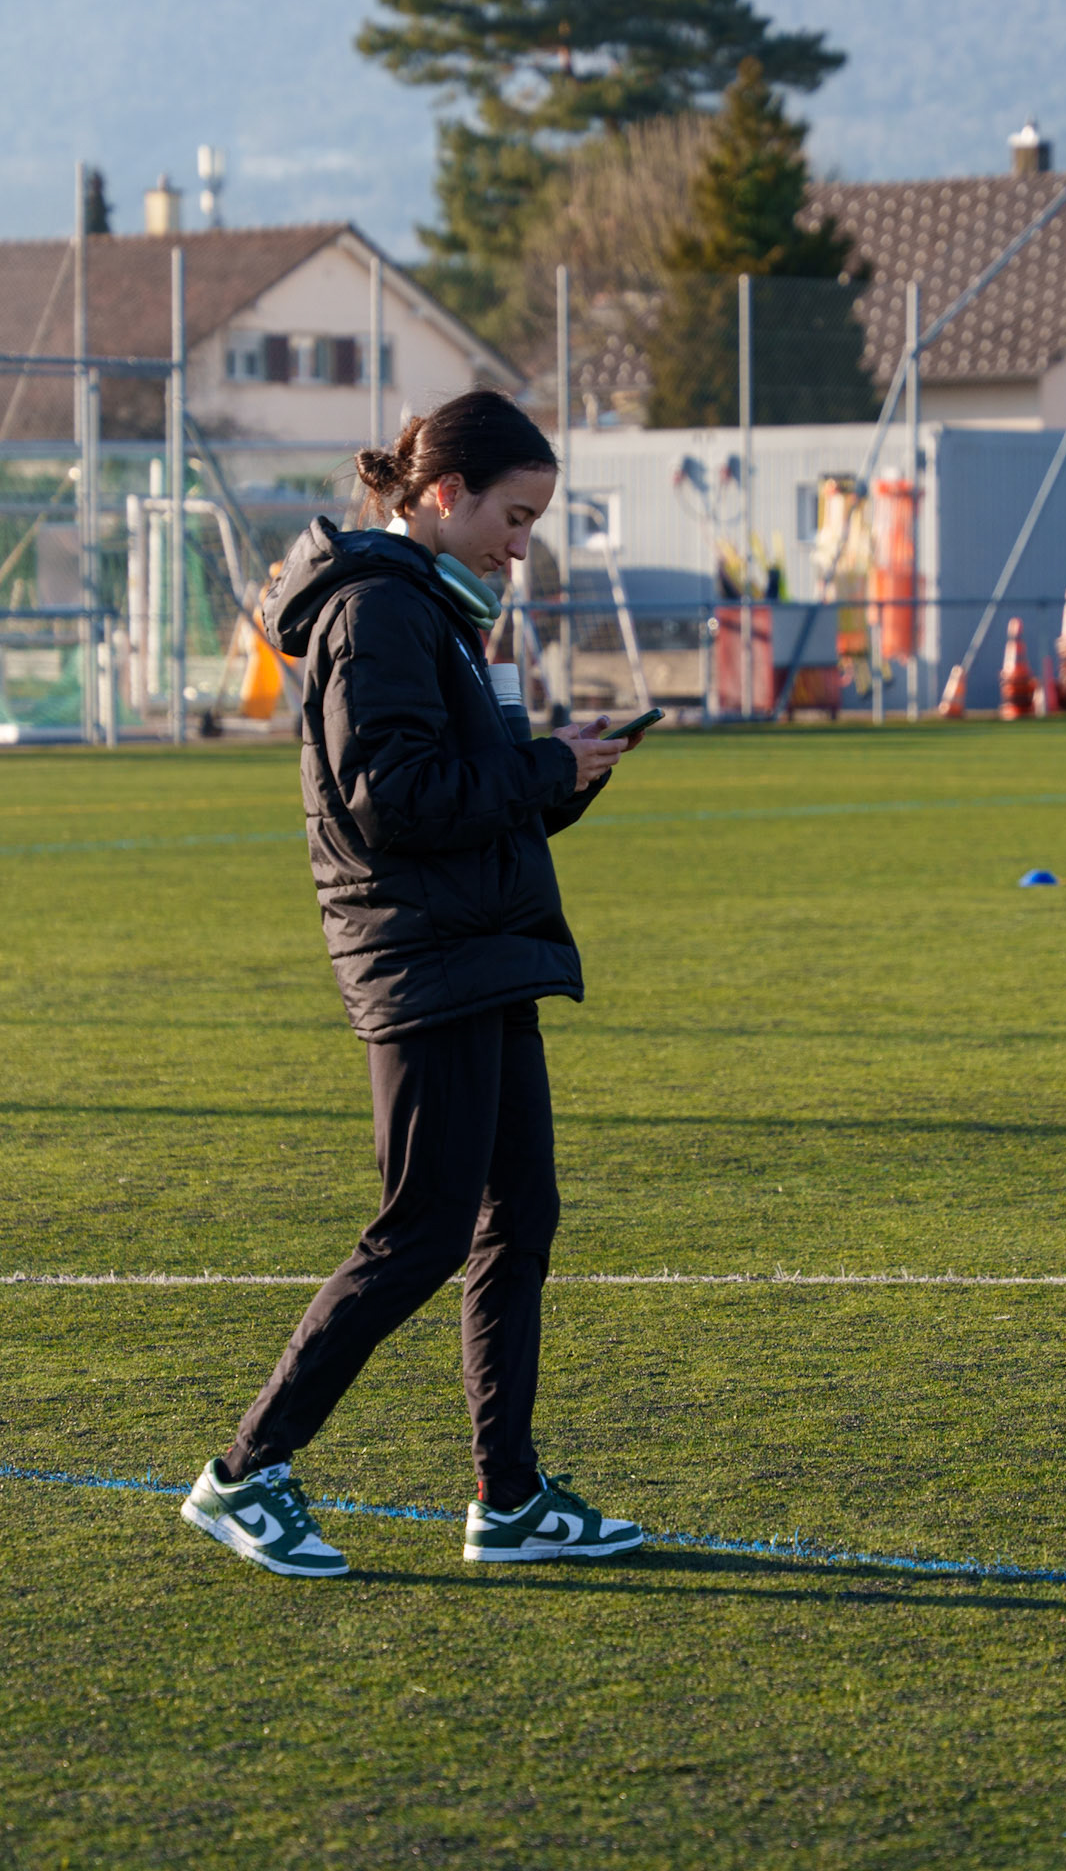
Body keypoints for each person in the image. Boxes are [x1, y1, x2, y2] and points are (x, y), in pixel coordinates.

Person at [181, 389, 649, 1578]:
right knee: (425, 1226)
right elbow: (393, 797)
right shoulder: (381, 612)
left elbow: (464, 795)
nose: (521, 541)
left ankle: (511, 1497)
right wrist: (539, 764)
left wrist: (565, 774)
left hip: (481, 947)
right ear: (444, 494)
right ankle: (247, 1471)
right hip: (424, 957)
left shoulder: (436, 611)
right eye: (514, 513)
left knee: (518, 1218)